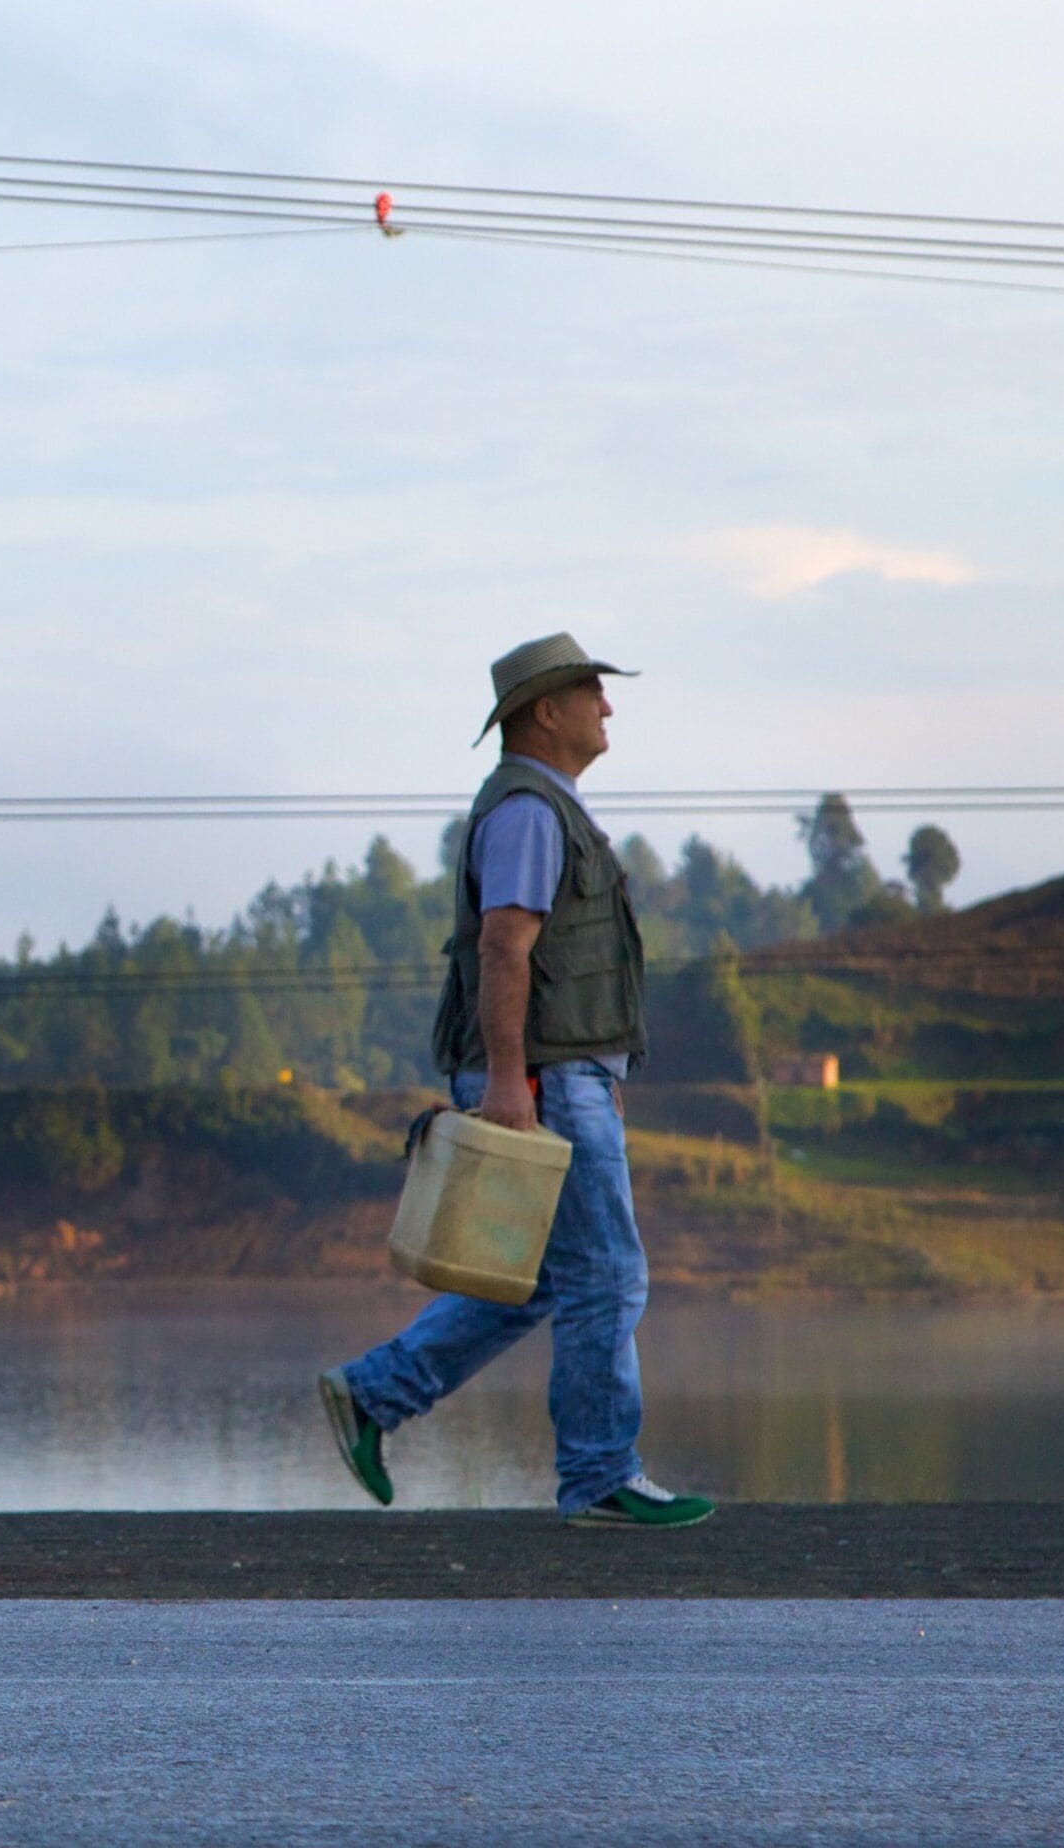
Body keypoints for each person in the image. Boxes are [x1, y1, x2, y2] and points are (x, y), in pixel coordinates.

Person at [316, 633, 715, 1528]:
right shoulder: (532, 813)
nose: (607, 707)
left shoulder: (543, 807)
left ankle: (374, 1396)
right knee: (607, 1275)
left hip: (559, 1076)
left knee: (536, 1280)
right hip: (539, 1081)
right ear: (546, 711)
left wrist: (589, 1070)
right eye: (591, 692)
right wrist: (511, 1081)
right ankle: (600, 1476)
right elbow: (505, 947)